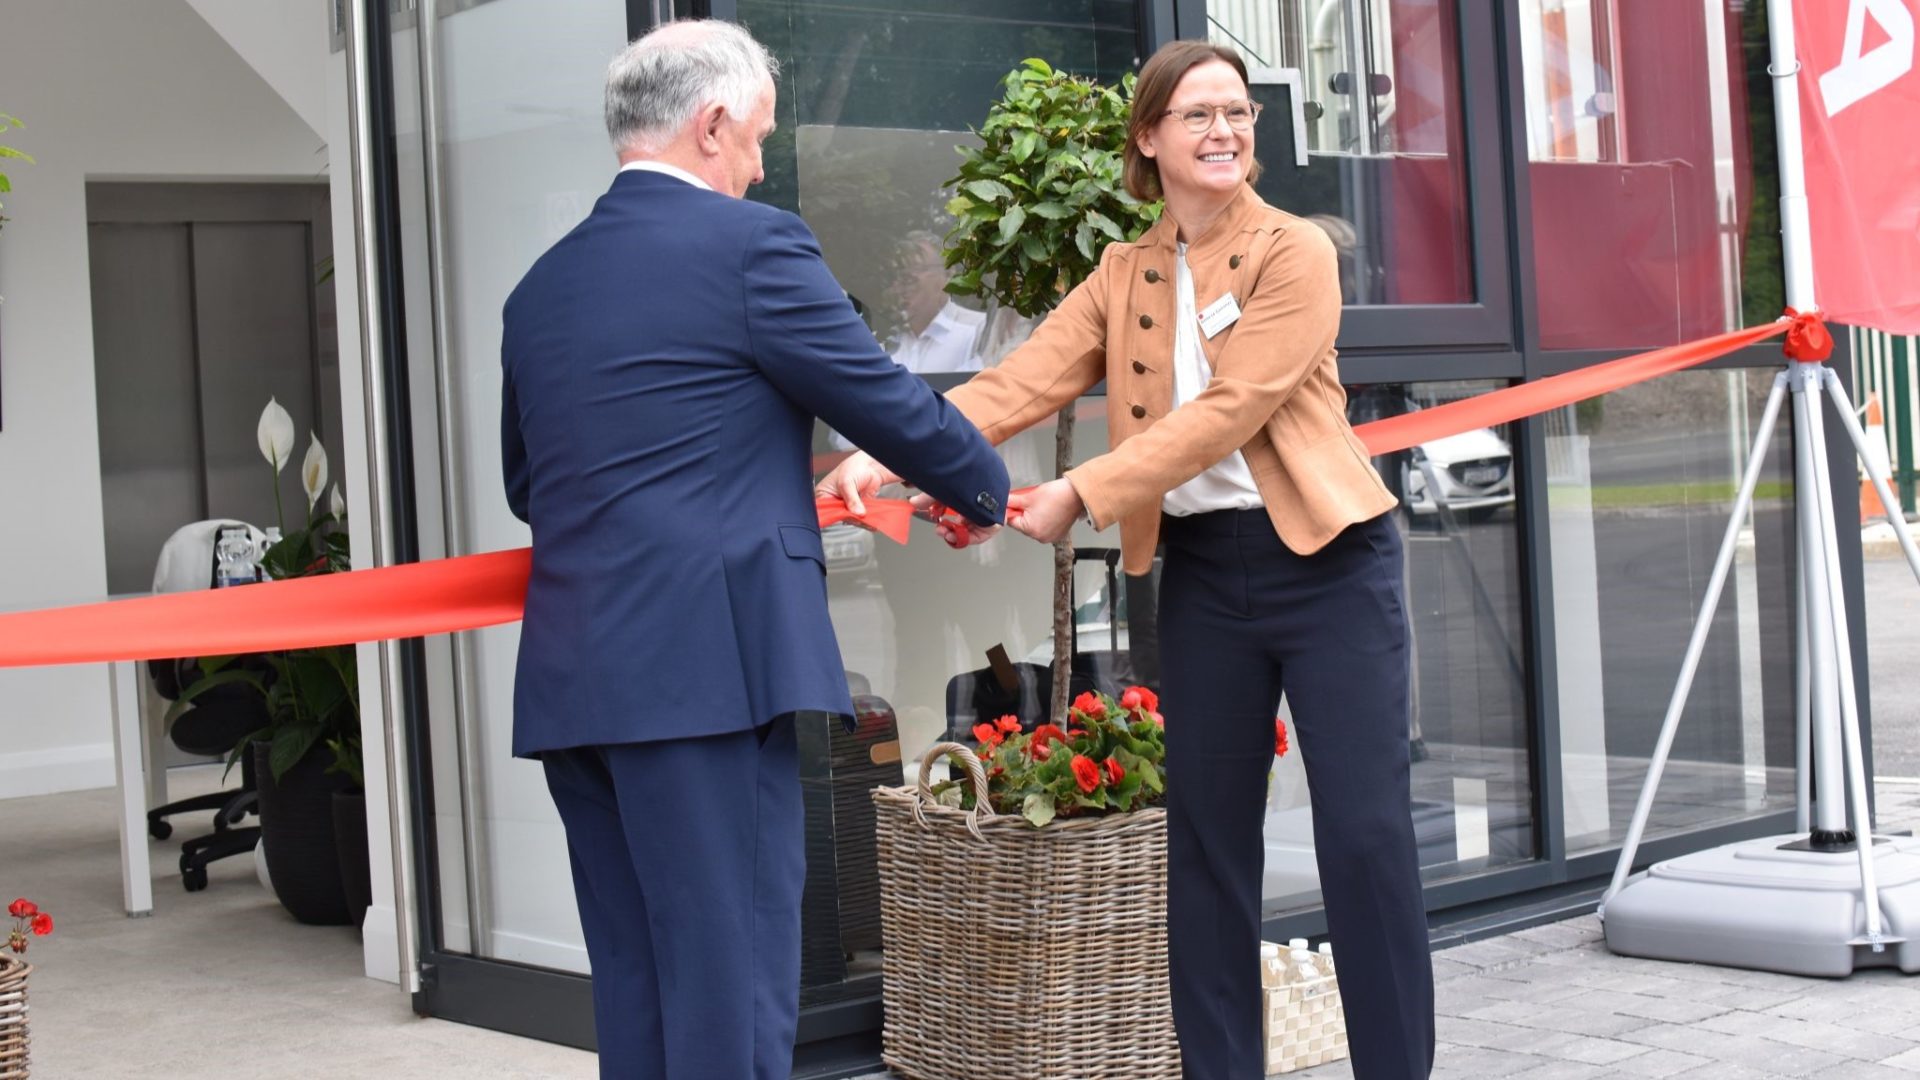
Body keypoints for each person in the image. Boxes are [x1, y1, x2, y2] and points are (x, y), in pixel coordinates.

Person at [821, 39, 1433, 1080]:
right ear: (1149, 137)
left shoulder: (1293, 251)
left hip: (1330, 563)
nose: (1225, 130)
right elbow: (1018, 382)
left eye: (1237, 112)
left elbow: (1232, 409)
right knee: (1205, 846)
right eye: (1198, 114)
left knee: (1365, 838)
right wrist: (882, 455)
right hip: (1203, 573)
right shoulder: (1126, 270)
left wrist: (1082, 492)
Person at [499, 20, 1008, 1080]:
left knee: (639, 986)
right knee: (730, 993)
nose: (763, 167)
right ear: (711, 123)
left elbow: (529, 489)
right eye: (760, 139)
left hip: (576, 685)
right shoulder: (753, 248)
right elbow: (881, 399)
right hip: (710, 681)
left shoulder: (539, 287)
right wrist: (985, 487)